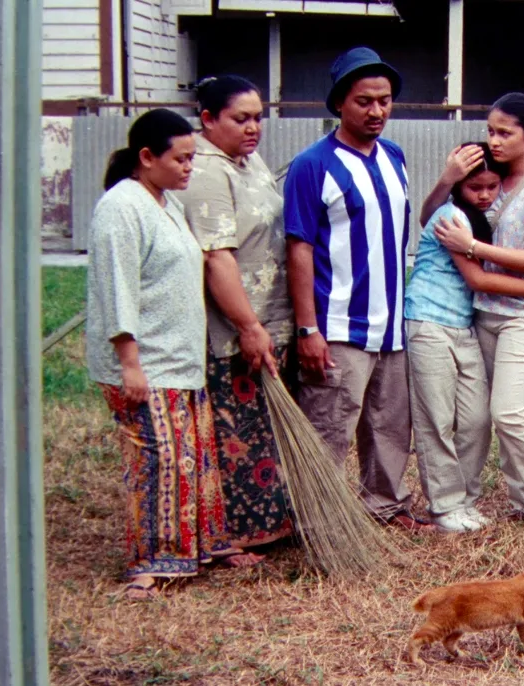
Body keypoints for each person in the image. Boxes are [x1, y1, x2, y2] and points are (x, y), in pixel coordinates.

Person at [85, 109, 238, 599]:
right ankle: (150, 565)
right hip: (146, 363)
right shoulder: (120, 206)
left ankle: (194, 548)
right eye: (181, 159)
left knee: (191, 459)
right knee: (158, 462)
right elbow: (116, 289)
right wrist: (130, 364)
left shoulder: (165, 201)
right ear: (147, 157)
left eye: (193, 158)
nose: (189, 167)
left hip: (179, 360)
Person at [283, 47, 432, 531]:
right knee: (329, 427)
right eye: (364, 101)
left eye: (385, 101)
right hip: (339, 323)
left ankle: (384, 504)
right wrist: (308, 328)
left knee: (389, 424)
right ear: (339, 103)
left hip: (391, 323)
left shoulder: (394, 156)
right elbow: (299, 248)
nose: (377, 111)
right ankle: (317, 523)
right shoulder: (312, 165)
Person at [406, 143, 524, 533]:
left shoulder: (484, 217)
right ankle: (445, 506)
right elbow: (478, 279)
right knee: (436, 419)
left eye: (492, 186)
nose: (484, 195)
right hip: (428, 322)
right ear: (458, 187)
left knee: (478, 419)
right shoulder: (452, 219)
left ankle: (465, 499)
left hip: (465, 324)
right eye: (474, 187)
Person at [174, 75, 294, 555]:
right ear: (207, 119)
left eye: (258, 118)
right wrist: (248, 326)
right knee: (237, 434)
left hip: (271, 317)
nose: (253, 128)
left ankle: (271, 525)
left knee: (265, 431)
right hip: (234, 328)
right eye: (240, 119)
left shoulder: (248, 160)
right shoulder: (206, 171)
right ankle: (234, 535)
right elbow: (216, 258)